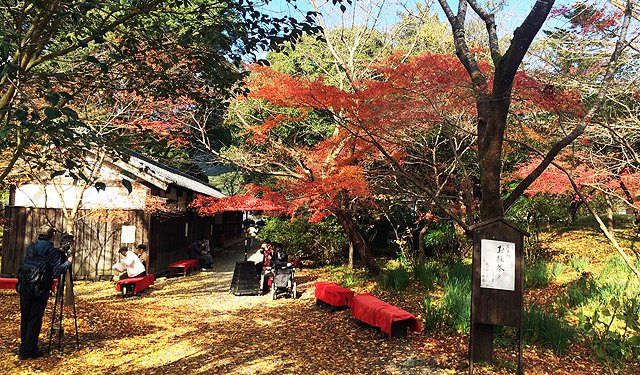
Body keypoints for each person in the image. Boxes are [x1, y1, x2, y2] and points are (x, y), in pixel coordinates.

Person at [18, 225, 71, 360]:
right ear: (51, 236)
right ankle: (28, 351)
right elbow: (56, 272)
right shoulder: (52, 251)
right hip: (40, 288)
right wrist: (67, 263)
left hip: (25, 285)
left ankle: (25, 345)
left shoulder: (31, 247)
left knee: (25, 317)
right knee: (35, 318)